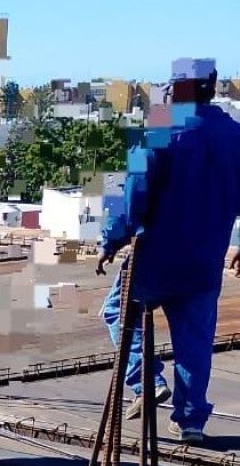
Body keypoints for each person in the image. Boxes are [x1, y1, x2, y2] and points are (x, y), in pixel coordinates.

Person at [97, 58, 240, 445]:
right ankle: (191, 420)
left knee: (116, 311)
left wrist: (111, 241)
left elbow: (132, 194)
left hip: (157, 257)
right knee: (194, 342)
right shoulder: (234, 134)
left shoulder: (160, 126)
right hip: (205, 261)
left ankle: (145, 379)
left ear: (180, 88)